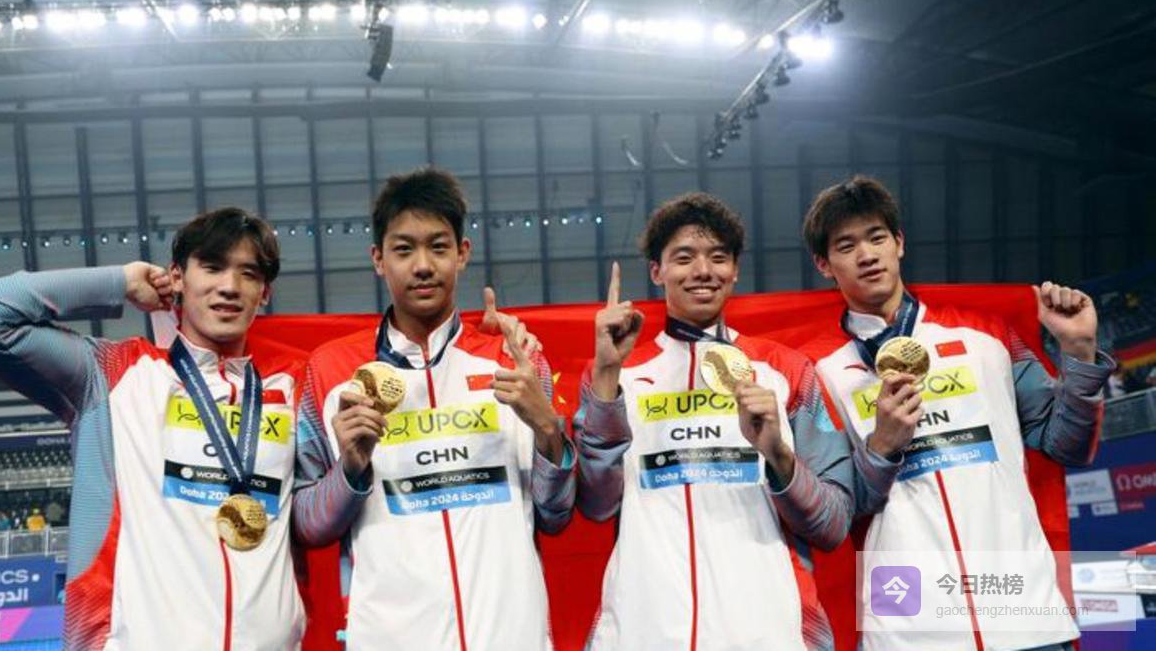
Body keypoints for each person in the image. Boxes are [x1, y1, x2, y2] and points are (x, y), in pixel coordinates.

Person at [0, 207, 307, 650]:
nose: (229, 286)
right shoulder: (111, 373)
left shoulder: (293, 386)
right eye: (212, 267)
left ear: (264, 292)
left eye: (248, 274)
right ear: (178, 277)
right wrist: (118, 282)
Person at [802, 175, 1112, 651]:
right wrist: (882, 446)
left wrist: (1079, 350)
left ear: (899, 243)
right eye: (847, 246)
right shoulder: (818, 373)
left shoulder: (987, 336)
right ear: (824, 264)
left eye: (877, 237)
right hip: (908, 628)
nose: (867, 255)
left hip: (1023, 613)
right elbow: (834, 513)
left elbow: (1065, 445)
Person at [292, 167, 575, 650]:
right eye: (404, 250)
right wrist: (351, 469)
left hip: (511, 635)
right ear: (379, 259)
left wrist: (549, 430)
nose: (423, 266)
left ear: (462, 254)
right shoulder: (331, 370)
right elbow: (307, 524)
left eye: (438, 247)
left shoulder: (516, 361)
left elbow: (557, 513)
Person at [575, 192, 854, 650]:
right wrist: (606, 378)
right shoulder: (615, 374)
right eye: (684, 258)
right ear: (657, 271)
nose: (703, 271)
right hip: (644, 632)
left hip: (768, 632)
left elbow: (833, 524)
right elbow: (596, 504)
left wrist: (778, 456)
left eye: (718, 257)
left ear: (735, 270)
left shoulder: (787, 371)